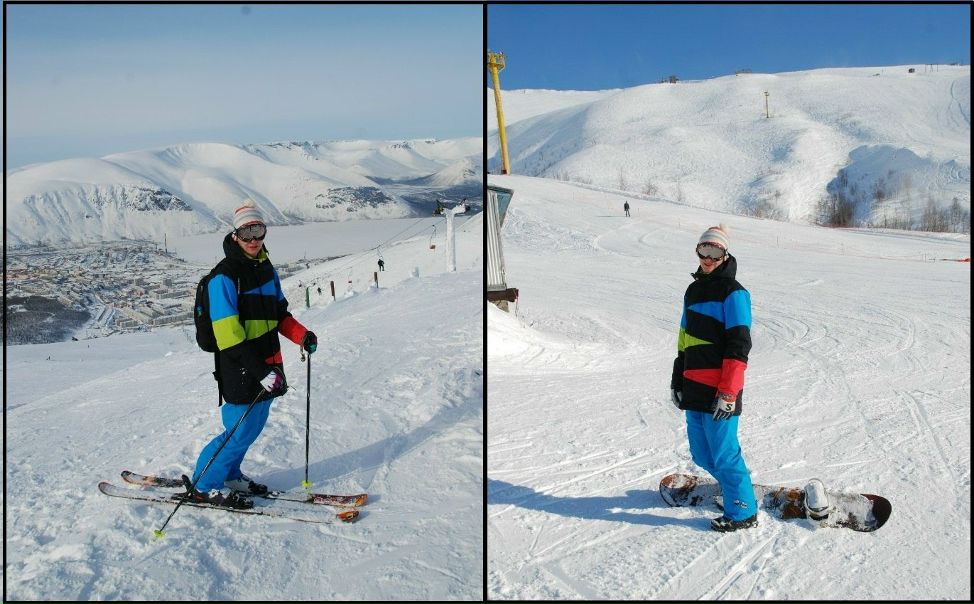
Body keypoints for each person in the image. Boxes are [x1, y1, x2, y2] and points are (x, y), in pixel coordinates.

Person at [188, 200, 318, 509]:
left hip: (269, 364)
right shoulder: (224, 278)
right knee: (238, 431)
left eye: (258, 231)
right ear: (235, 236)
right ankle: (203, 485)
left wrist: (301, 335)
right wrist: (259, 371)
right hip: (241, 367)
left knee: (252, 428)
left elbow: (279, 314)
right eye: (246, 233)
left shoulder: (266, 270)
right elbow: (228, 338)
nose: (253, 239)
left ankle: (230, 475)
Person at [670, 224, 757, 532]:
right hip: (694, 387)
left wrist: (729, 391)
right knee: (702, 453)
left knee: (723, 453)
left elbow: (739, 345)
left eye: (714, 252)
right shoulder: (692, 291)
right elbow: (684, 341)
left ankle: (743, 511)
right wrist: (677, 380)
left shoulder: (734, 292)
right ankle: (734, 490)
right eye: (703, 251)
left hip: (721, 389)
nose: (708, 259)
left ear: (725, 255)